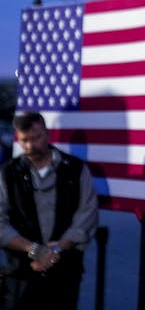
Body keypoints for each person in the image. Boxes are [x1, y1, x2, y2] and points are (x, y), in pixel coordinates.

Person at [0, 111, 99, 310]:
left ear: (48, 134)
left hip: (65, 274)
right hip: (20, 275)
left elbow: (87, 214)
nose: (30, 146)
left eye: (36, 138)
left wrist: (57, 248)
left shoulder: (75, 169)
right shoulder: (8, 173)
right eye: (24, 140)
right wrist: (34, 250)